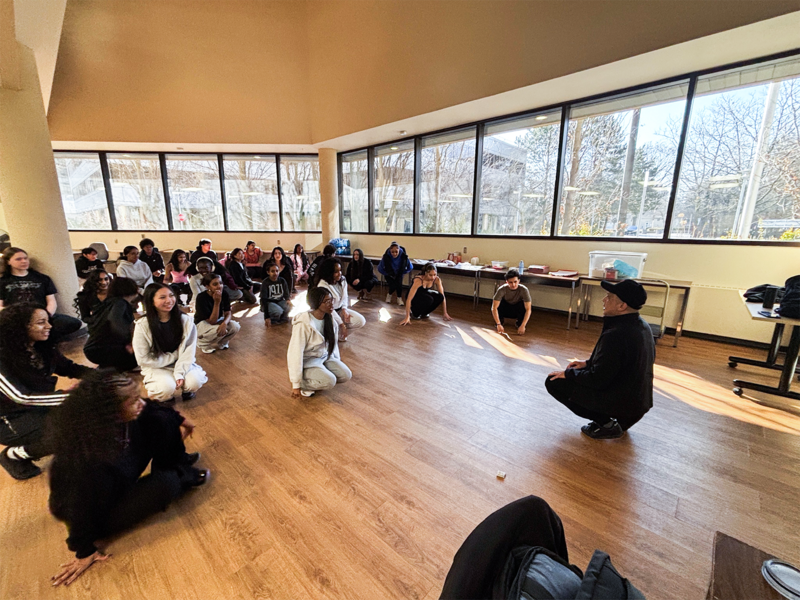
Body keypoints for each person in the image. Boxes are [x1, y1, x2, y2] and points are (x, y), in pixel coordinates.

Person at [48, 371, 208, 587]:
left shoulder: (123, 418)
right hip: (104, 511)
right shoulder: (81, 460)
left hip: (122, 476)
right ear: (108, 411)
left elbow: (150, 407)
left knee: (162, 418)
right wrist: (83, 550)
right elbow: (74, 508)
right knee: (167, 484)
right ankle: (181, 474)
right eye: (132, 401)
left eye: (137, 397)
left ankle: (179, 462)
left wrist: (180, 419)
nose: (140, 403)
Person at [546, 279, 655, 439]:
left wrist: (568, 374)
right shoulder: (641, 325)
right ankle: (613, 422)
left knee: (553, 382)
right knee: (576, 372)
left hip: (623, 407)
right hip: (636, 406)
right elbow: (620, 363)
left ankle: (607, 424)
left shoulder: (616, 334)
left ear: (622, 306)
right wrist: (587, 363)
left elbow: (598, 379)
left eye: (609, 297)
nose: (604, 300)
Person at [0, 304, 93, 480]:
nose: (49, 326)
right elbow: (20, 397)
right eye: (41, 322)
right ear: (21, 327)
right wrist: (73, 397)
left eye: (48, 321)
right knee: (70, 429)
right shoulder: (3, 356)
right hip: (9, 419)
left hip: (37, 407)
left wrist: (103, 376)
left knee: (87, 418)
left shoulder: (40, 347)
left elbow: (69, 368)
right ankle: (13, 455)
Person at [133, 283, 207, 402]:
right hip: (156, 366)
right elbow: (143, 359)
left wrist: (179, 373)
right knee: (166, 388)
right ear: (151, 301)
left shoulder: (186, 321)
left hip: (181, 362)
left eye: (171, 295)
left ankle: (187, 390)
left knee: (194, 382)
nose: (169, 300)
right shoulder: (142, 325)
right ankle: (166, 395)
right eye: (162, 297)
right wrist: (174, 357)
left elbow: (188, 351)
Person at [0, 247, 82, 341]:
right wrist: (14, 316)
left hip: (41, 315)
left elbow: (51, 301)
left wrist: (45, 316)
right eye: (18, 259)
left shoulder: (42, 278)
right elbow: (0, 306)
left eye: (25, 258)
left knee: (73, 323)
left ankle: (44, 341)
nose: (24, 261)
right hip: (16, 317)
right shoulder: (3, 281)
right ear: (8, 262)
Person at [287, 287, 351, 398]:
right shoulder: (303, 324)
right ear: (316, 303)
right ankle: (303, 385)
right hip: (308, 362)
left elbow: (333, 345)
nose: (331, 304)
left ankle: (320, 375)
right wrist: (295, 384)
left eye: (331, 300)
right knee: (330, 381)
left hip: (324, 357)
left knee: (346, 375)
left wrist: (336, 361)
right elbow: (295, 353)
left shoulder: (330, 320)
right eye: (327, 301)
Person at [83, 277, 140, 372]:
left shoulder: (108, 302)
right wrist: (130, 343)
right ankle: (108, 369)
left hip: (92, 349)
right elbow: (115, 321)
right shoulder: (120, 303)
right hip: (101, 350)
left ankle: (107, 366)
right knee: (140, 357)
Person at [316, 257, 366, 341]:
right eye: (336, 272)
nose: (339, 273)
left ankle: (340, 336)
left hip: (339, 310)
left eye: (340, 270)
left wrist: (344, 309)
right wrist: (341, 324)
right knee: (334, 326)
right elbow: (329, 309)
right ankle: (331, 337)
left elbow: (345, 297)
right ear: (329, 273)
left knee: (361, 320)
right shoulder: (322, 286)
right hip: (327, 314)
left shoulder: (342, 280)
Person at [193, 273, 240, 354]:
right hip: (202, 323)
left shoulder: (224, 293)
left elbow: (228, 312)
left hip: (217, 320)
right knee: (217, 330)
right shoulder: (201, 298)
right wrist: (217, 302)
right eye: (215, 284)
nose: (219, 286)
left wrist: (224, 323)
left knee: (235, 326)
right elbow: (212, 321)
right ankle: (202, 343)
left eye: (220, 283)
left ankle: (222, 342)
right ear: (207, 286)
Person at [491, 268, 532, 335]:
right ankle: (501, 321)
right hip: (505, 308)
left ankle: (519, 323)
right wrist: (498, 324)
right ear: (507, 282)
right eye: (510, 282)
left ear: (519, 281)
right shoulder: (501, 289)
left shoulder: (524, 290)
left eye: (515, 282)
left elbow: (528, 309)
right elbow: (494, 308)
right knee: (499, 303)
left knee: (524, 304)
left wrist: (523, 325)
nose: (513, 285)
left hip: (517, 309)